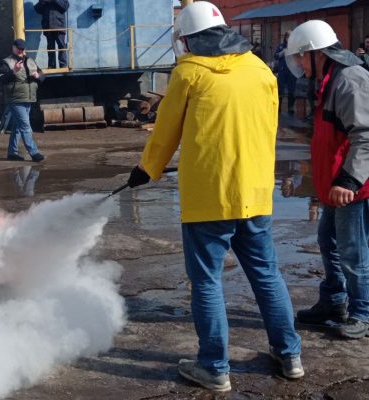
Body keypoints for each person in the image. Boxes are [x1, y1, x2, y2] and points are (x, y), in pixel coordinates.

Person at [127, 2, 303, 391]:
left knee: (206, 281)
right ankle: (289, 356)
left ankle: (214, 367)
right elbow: (269, 126)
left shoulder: (189, 73)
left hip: (209, 194)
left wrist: (147, 169)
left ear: (188, 39)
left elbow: (166, 130)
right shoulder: (260, 70)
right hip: (255, 191)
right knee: (266, 273)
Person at [285, 20, 369, 339]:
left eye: (300, 57)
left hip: (354, 188)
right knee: (329, 242)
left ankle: (362, 312)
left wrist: (348, 181)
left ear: (317, 54)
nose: (298, 64)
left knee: (353, 251)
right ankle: (334, 302)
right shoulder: (329, 79)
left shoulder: (349, 79)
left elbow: (365, 136)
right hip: (337, 186)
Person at [0, 38, 45, 162]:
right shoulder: (7, 62)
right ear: (13, 47)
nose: (20, 50)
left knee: (18, 127)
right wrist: (13, 71)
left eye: (22, 49)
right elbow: (1, 79)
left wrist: (38, 76)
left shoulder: (30, 61)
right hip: (15, 99)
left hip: (28, 98)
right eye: (18, 48)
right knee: (25, 126)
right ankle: (34, 153)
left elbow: (43, 75)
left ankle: (12, 153)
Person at [34, 0, 69, 69]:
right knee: (50, 47)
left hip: (59, 26)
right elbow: (37, 9)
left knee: (61, 45)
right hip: (48, 26)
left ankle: (63, 65)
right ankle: (52, 66)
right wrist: (43, 2)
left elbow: (65, 7)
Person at [275, 31, 298, 114]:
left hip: (291, 72)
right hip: (282, 71)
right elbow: (275, 56)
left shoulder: (295, 47)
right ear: (285, 38)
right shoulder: (281, 46)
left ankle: (291, 108)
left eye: (290, 37)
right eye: (287, 37)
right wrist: (281, 53)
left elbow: (300, 56)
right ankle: (278, 107)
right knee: (280, 91)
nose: (288, 39)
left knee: (291, 91)